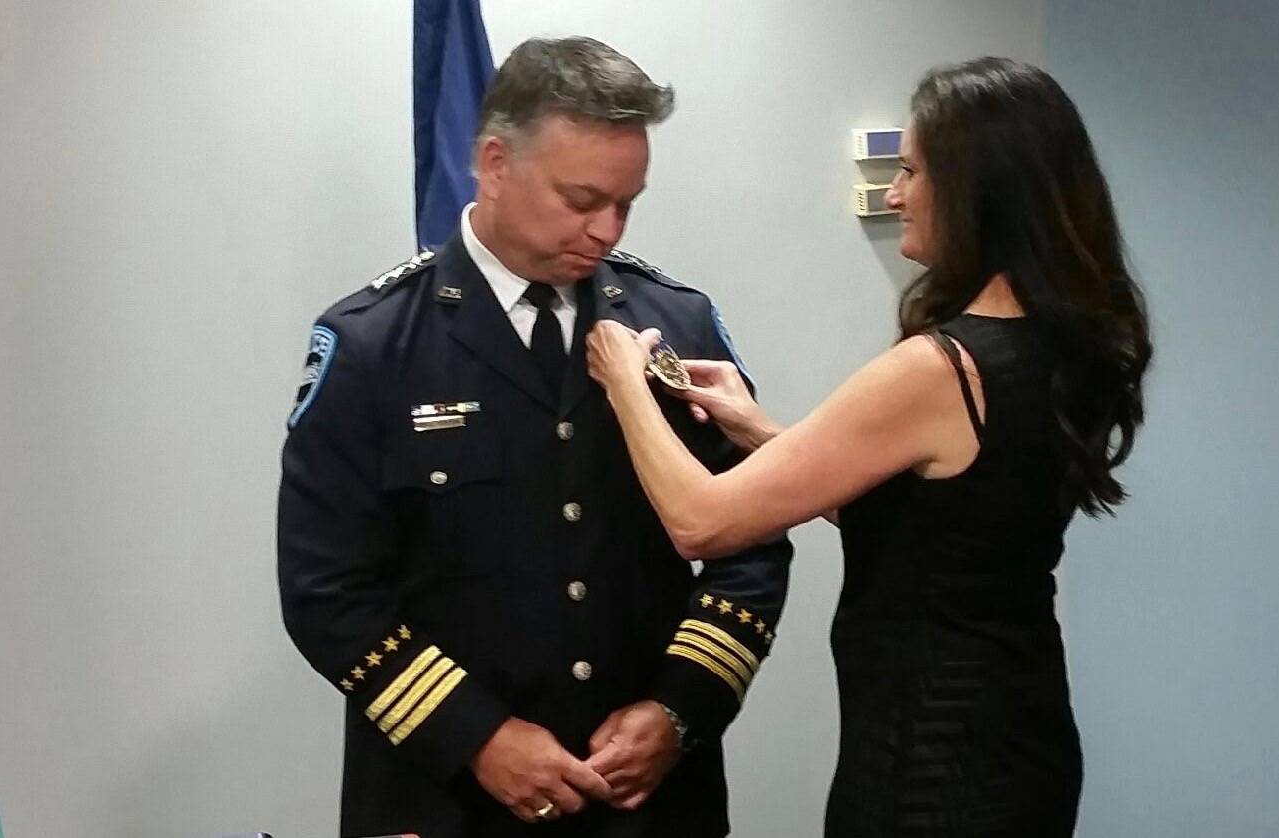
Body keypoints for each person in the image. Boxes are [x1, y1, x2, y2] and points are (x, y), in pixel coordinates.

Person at [586, 56, 1151, 837]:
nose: (893, 192)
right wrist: (753, 427)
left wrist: (621, 378)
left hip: (928, 762)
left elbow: (701, 521)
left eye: (912, 170)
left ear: (975, 185)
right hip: (1022, 739)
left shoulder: (939, 368)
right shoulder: (1060, 339)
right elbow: (939, 529)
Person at [277, 37, 792, 838]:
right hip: (443, 798)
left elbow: (754, 542)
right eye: (582, 199)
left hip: (646, 803)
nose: (606, 230)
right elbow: (327, 590)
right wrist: (474, 736)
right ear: (492, 163)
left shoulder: (676, 324)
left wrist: (680, 706)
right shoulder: (375, 345)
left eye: (626, 203)